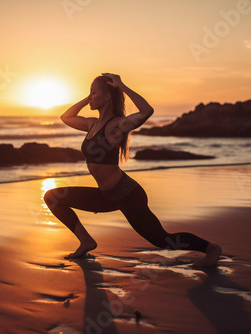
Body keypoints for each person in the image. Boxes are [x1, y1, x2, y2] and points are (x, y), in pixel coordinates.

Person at [44, 73, 222, 266]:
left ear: (108, 96)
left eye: (94, 93)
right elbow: (66, 117)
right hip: (106, 196)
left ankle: (211, 248)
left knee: (162, 240)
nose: (90, 98)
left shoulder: (117, 126)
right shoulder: (91, 124)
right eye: (89, 93)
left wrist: (121, 86)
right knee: (53, 197)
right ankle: (86, 241)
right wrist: (88, 98)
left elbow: (146, 111)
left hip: (127, 195)